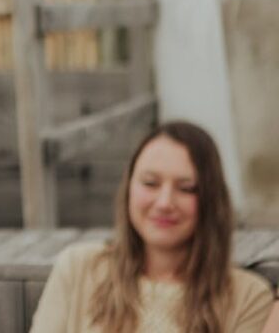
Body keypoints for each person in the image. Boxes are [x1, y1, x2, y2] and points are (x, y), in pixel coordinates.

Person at [30, 121, 273, 332]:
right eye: (150, 183)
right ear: (128, 189)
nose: (165, 202)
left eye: (186, 188)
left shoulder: (248, 297)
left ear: (211, 199)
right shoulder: (78, 268)